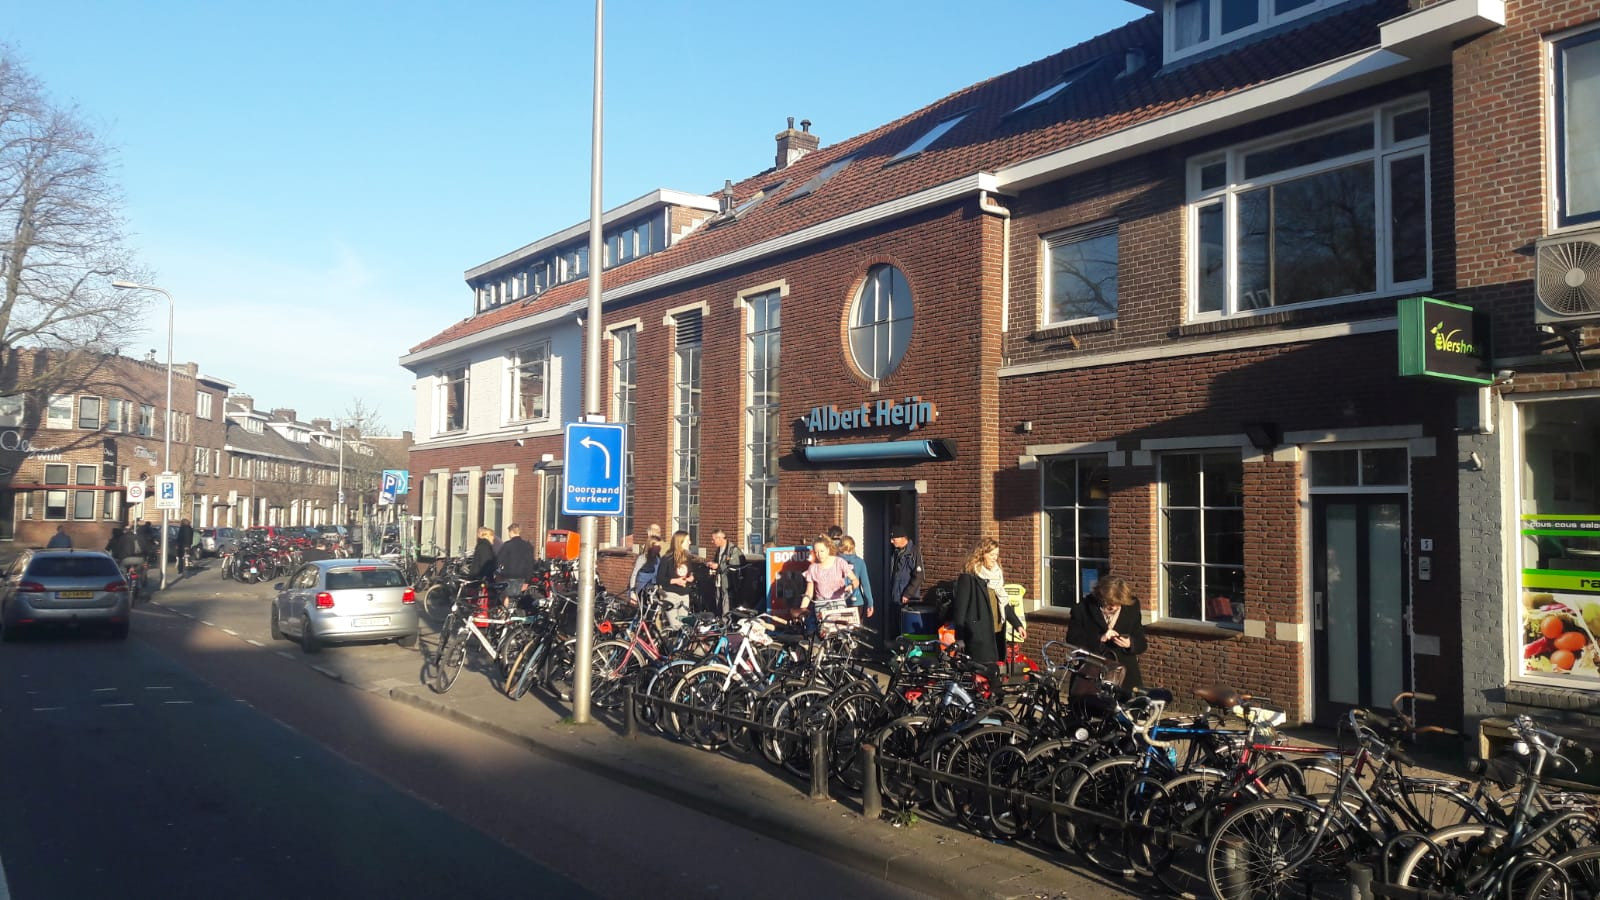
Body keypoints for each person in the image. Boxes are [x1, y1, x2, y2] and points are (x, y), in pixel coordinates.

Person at [1066, 574, 1148, 689]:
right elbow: (1073, 640)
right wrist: (1100, 639)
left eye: (1119, 604)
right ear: (1100, 597)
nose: (1114, 607)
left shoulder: (1131, 608)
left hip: (1125, 677)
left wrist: (1130, 644)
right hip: (1092, 675)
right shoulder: (1082, 609)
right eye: (1110, 604)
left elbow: (1142, 642)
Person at [951, 538, 1002, 670]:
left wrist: (1017, 624)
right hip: (979, 634)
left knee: (993, 672)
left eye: (996, 554)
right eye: (992, 554)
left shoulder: (996, 576)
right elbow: (960, 608)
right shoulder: (969, 577)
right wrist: (959, 637)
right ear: (982, 554)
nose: (995, 558)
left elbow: (1002, 601)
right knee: (981, 673)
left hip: (995, 632)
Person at [801, 535, 860, 630]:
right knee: (825, 633)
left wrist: (851, 586)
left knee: (842, 632)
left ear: (828, 549)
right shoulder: (813, 568)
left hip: (839, 603)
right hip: (821, 606)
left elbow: (855, 580)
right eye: (816, 552)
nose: (819, 554)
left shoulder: (839, 562)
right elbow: (809, 593)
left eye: (822, 551)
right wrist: (802, 610)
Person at [655, 530, 699, 625]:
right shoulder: (667, 558)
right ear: (680, 542)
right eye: (687, 540)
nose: (690, 542)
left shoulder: (688, 557)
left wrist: (691, 578)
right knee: (675, 625)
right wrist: (675, 581)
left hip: (684, 595)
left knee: (683, 625)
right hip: (671, 595)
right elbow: (659, 579)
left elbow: (690, 573)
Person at [706, 528, 746, 615]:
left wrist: (718, 566)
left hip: (729, 584)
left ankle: (726, 621)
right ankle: (719, 619)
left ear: (720, 538)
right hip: (719, 582)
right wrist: (712, 565)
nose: (712, 542)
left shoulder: (733, 550)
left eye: (713, 539)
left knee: (727, 604)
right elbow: (718, 563)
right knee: (718, 602)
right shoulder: (719, 550)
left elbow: (734, 566)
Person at [837, 535, 875, 620]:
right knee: (856, 627)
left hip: (839, 602)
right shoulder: (860, 562)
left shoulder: (835, 561)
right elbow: (866, 585)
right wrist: (870, 603)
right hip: (857, 602)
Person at [887, 525, 924, 609]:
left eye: (894, 539)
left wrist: (908, 594)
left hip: (907, 600)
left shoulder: (914, 552)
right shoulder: (895, 552)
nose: (891, 541)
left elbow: (919, 576)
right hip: (895, 598)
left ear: (902, 538)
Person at [495, 523, 537, 593]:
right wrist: (527, 581)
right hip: (522, 577)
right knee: (519, 597)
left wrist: (498, 573)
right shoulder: (527, 546)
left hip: (508, 576)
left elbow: (499, 561)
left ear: (511, 532)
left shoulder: (507, 545)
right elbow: (530, 564)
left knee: (506, 595)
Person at [630, 530, 663, 602]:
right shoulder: (643, 558)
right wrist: (632, 592)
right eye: (658, 546)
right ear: (651, 546)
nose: (660, 548)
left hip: (653, 590)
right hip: (642, 589)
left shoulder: (658, 559)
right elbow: (634, 574)